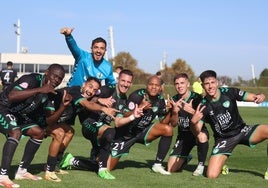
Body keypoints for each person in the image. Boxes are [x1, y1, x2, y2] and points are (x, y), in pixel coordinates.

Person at [191, 70, 268, 179]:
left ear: (217, 83)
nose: (210, 86)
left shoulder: (229, 92)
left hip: (242, 131)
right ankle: (222, 164)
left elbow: (253, 97)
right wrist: (193, 123)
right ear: (203, 86)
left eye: (212, 82)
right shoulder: (203, 106)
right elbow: (197, 132)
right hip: (223, 139)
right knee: (211, 175)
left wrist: (259, 96)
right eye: (207, 84)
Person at [59, 69, 135, 180]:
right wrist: (100, 99)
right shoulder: (107, 90)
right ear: (118, 80)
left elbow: (118, 121)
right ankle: (102, 170)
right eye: (123, 80)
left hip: (102, 129)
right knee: (110, 133)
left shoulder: (124, 100)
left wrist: (133, 115)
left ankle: (70, 160)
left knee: (100, 164)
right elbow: (88, 95)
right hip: (89, 124)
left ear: (131, 83)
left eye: (128, 82)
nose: (125, 84)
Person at [39, 76, 118, 182]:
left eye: (94, 90)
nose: (91, 91)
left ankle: (56, 164)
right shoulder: (75, 91)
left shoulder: (84, 95)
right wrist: (103, 108)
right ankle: (49, 169)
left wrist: (100, 99)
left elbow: (91, 100)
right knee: (60, 133)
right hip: (41, 118)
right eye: (90, 87)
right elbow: (86, 103)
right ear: (84, 84)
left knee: (70, 132)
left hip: (52, 121)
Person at [0, 64, 65, 188]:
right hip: (2, 107)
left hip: (18, 114)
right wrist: (40, 90)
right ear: (47, 72)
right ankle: (3, 176)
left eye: (60, 78)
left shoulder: (51, 93)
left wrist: (63, 107)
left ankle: (22, 171)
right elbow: (12, 96)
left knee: (39, 133)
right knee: (15, 132)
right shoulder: (31, 79)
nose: (56, 80)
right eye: (54, 76)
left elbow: (49, 121)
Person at [108, 75, 174, 175]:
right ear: (147, 86)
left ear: (160, 87)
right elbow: (125, 113)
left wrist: (171, 111)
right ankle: (89, 158)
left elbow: (163, 123)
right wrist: (141, 107)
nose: (154, 87)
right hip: (126, 134)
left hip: (143, 131)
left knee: (168, 129)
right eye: (151, 84)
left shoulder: (160, 99)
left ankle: (157, 165)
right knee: (108, 167)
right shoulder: (136, 96)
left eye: (157, 85)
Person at [167, 73, 209, 176]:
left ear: (188, 84)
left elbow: (206, 118)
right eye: (177, 83)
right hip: (183, 136)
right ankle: (186, 158)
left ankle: (200, 165)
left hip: (197, 131)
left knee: (202, 136)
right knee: (170, 169)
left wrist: (191, 111)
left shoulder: (197, 98)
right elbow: (173, 124)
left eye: (182, 83)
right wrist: (175, 112)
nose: (179, 86)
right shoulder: (173, 100)